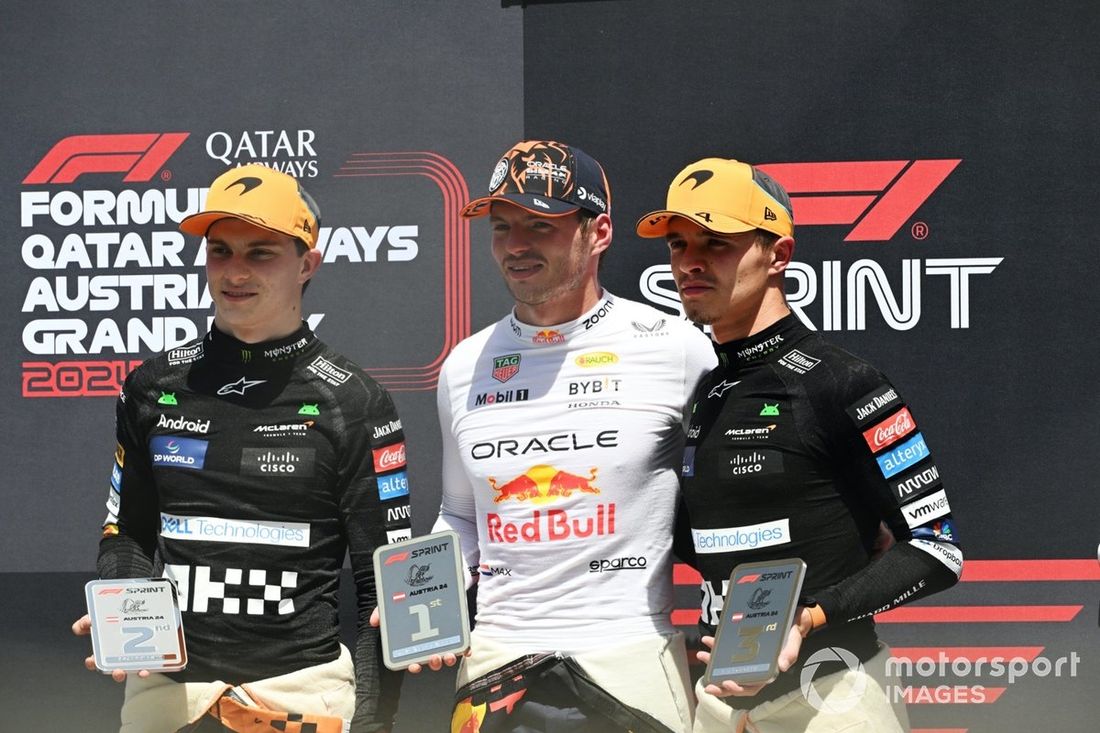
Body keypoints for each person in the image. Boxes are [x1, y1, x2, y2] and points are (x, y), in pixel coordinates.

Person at [72, 164, 412, 733]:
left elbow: (384, 586)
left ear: (307, 264)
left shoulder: (353, 401)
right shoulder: (153, 387)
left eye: (260, 254)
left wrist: (375, 723)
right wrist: (124, 605)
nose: (234, 272)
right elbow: (126, 531)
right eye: (220, 251)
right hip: (168, 697)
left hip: (301, 694)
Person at [636, 158, 964, 732]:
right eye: (678, 244)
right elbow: (708, 538)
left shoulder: (844, 382)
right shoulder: (705, 389)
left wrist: (807, 618)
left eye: (715, 243)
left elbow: (938, 551)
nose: (689, 261)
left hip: (832, 697)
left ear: (778, 255)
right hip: (720, 707)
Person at [430, 140, 716, 732]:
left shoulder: (675, 347)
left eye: (540, 225)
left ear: (599, 232)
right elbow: (459, 516)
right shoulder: (464, 365)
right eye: (502, 226)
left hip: (631, 653)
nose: (515, 244)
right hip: (497, 661)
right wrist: (425, 595)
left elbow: (735, 489)